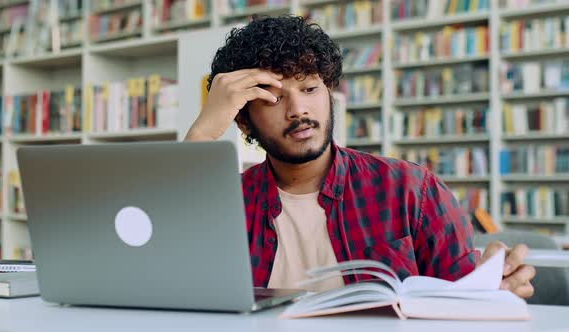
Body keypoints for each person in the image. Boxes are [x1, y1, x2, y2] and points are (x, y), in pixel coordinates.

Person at [185, 15, 535, 297]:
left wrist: (496, 285)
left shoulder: (413, 190)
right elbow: (173, 283)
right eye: (273, 99)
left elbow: (465, 300)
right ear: (244, 122)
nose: (298, 109)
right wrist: (203, 132)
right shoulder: (225, 203)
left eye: (310, 88)